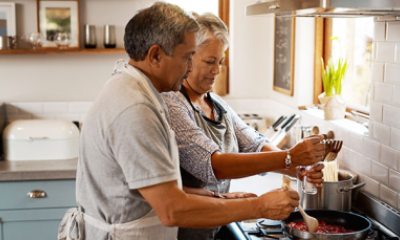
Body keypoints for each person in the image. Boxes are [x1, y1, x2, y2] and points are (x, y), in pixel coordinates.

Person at [57, 3, 323, 240]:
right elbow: (172, 209)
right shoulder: (136, 109)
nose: (188, 68)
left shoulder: (138, 93)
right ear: (155, 55)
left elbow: (144, 185)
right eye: (187, 57)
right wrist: (259, 206)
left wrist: (218, 198)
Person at [162, 13, 325, 240]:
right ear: (188, 57)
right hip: (181, 233)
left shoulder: (217, 104)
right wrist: (290, 157)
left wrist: (298, 170)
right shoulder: (172, 103)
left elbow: (254, 144)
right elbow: (212, 164)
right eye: (210, 62)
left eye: (220, 62)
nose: (217, 71)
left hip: (213, 226)